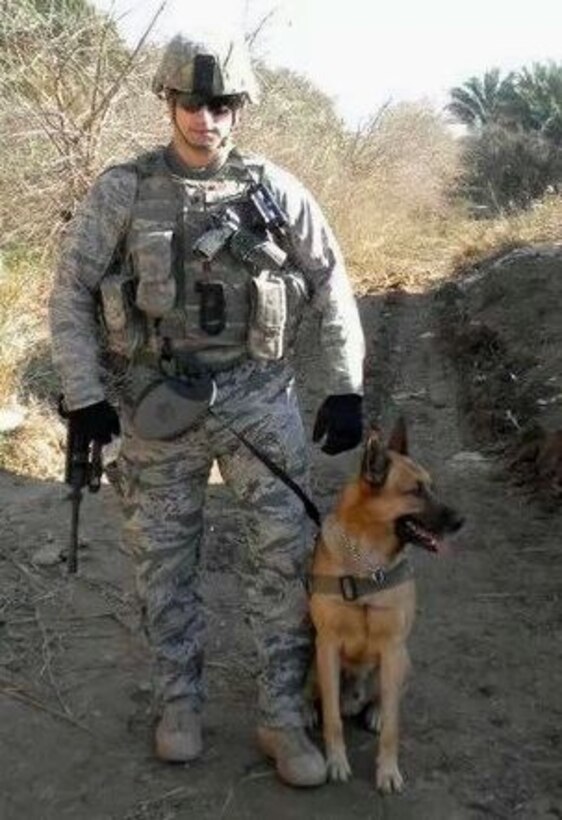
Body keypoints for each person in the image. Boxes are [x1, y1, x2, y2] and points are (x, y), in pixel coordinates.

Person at [49, 33, 365, 788]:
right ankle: (178, 705)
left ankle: (282, 717)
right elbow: (69, 294)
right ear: (170, 104)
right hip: (157, 403)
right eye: (192, 103)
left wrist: (345, 386)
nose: (206, 119)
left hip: (258, 399)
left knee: (287, 561)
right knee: (164, 565)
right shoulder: (122, 190)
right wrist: (87, 394)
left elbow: (331, 286)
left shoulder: (277, 191)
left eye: (221, 104)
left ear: (239, 109)